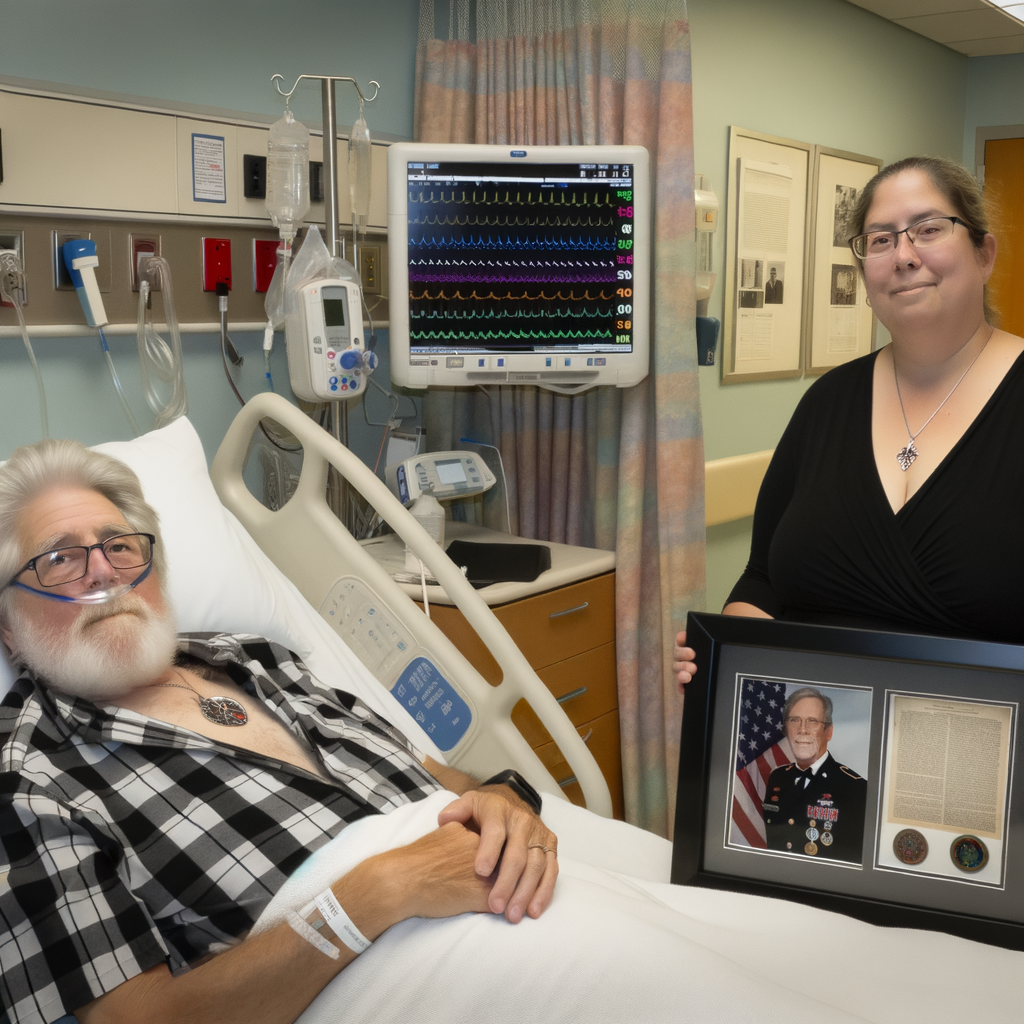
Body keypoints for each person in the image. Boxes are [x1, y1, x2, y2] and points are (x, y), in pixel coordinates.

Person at [0, 439, 558, 1024]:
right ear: (9, 629)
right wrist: (375, 892)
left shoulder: (259, 660)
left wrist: (498, 800)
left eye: (119, 546)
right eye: (59, 559)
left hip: (533, 911)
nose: (104, 573)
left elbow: (433, 774)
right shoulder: (31, 782)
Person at [674, 156, 1024, 691]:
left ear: (984, 253)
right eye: (880, 240)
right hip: (814, 738)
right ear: (863, 272)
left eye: (928, 229)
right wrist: (730, 659)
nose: (904, 256)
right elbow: (763, 577)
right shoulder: (828, 403)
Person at [761, 687, 866, 862]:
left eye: (812, 721)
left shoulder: (855, 787)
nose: (803, 730)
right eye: (795, 720)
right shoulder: (778, 777)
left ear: (829, 732)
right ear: (786, 728)